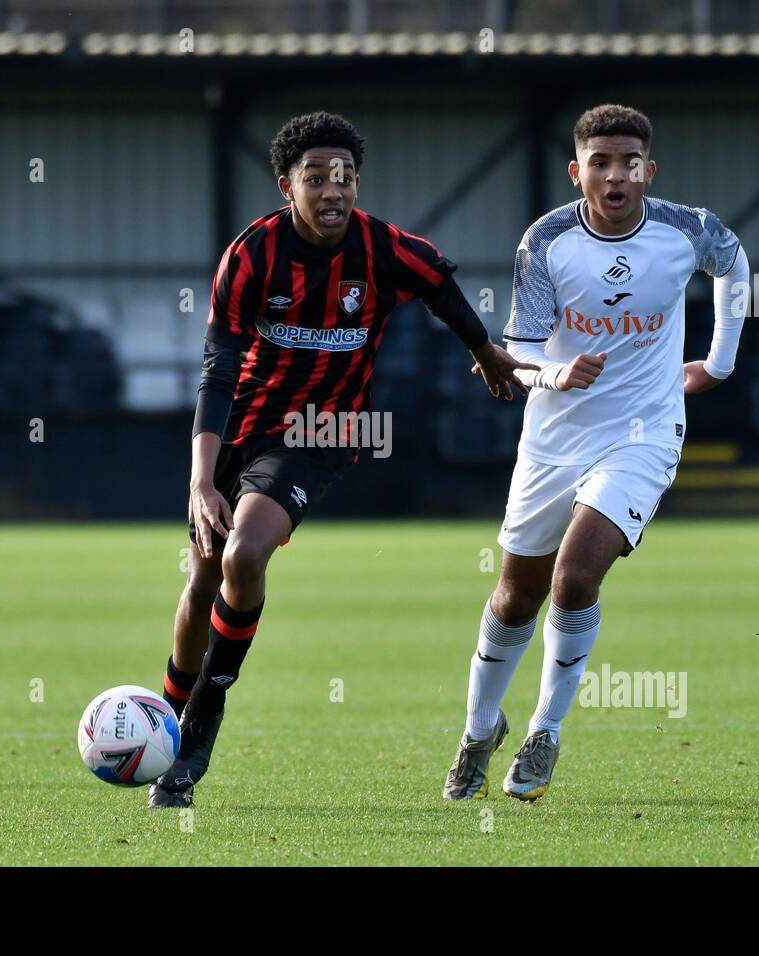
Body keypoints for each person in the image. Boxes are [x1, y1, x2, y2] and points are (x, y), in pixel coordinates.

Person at [149, 110, 535, 807]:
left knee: (242, 556)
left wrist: (483, 349)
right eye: (317, 177)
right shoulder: (251, 256)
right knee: (205, 576)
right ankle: (161, 719)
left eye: (347, 177)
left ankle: (201, 724)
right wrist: (200, 481)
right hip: (241, 429)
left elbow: (444, 292)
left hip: (321, 432)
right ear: (286, 186)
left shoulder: (385, 249)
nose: (335, 189)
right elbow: (217, 367)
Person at [443, 103, 750, 801]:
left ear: (649, 170)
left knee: (574, 577)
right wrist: (554, 372)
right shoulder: (547, 240)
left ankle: (545, 731)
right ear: (577, 171)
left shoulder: (685, 230)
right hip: (555, 437)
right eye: (601, 163)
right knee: (516, 595)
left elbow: (734, 264)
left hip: (642, 434)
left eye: (629, 162)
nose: (616, 175)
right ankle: (478, 730)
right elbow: (519, 346)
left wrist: (719, 362)